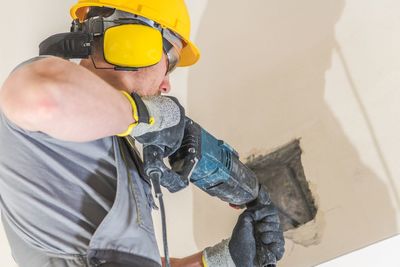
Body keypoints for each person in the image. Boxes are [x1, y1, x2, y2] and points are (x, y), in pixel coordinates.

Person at [0, 0, 285, 266]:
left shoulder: (116, 139)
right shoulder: (43, 82)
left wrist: (224, 260)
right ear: (135, 43)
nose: (166, 86)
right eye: (170, 62)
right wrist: (152, 115)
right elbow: (41, 98)